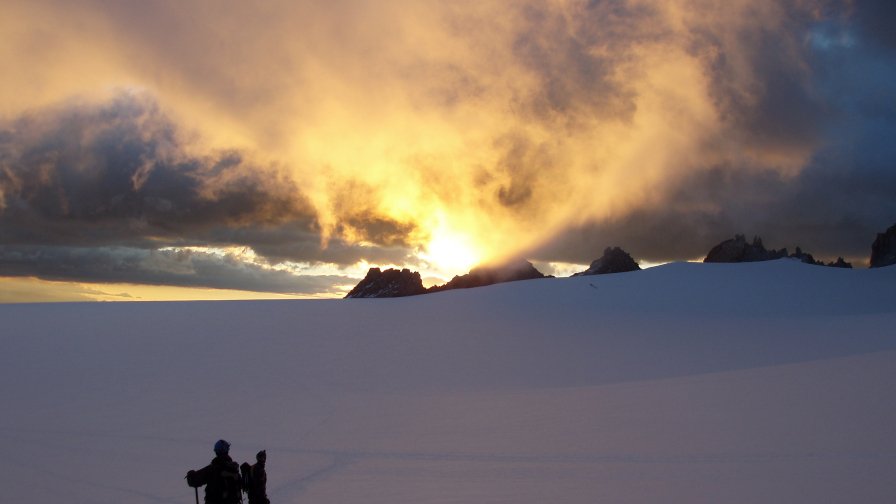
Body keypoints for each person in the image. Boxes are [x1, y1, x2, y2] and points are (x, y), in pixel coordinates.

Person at [186, 439, 242, 504]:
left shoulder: (212, 469)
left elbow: (193, 481)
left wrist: (191, 474)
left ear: (216, 451)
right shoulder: (234, 468)